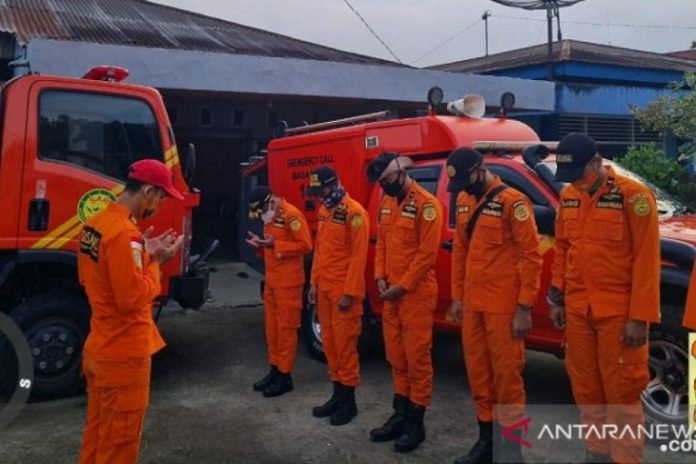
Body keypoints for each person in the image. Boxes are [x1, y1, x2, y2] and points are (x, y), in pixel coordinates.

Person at [548, 133, 660, 463]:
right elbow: (563, 248)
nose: (576, 184)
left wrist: (640, 316)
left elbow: (646, 259)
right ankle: (597, 454)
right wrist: (557, 295)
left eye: (579, 175)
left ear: (597, 163)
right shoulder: (569, 195)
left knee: (621, 394)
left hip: (619, 315)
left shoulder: (634, 197)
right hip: (579, 311)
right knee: (586, 390)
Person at [77, 159, 184, 464]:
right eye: (161, 198)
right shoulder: (125, 234)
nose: (160, 206)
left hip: (100, 347)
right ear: (148, 191)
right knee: (119, 445)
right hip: (123, 357)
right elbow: (131, 298)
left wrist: (142, 252)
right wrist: (156, 263)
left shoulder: (96, 224)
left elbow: (90, 277)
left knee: (97, 434)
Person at [446, 148, 542, 464]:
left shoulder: (513, 202)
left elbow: (531, 256)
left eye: (466, 180)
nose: (463, 187)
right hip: (473, 304)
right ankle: (486, 441)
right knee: (478, 375)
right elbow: (459, 251)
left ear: (479, 169)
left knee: (507, 379)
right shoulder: (463, 200)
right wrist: (457, 296)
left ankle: (511, 450)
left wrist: (524, 307)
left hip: (503, 307)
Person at [366, 152, 443, 453]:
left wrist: (403, 285)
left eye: (386, 180)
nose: (384, 186)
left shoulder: (427, 206)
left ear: (400, 172)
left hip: (417, 295)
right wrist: (380, 276)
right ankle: (399, 414)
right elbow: (382, 242)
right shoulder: (386, 203)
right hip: (392, 294)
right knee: (396, 356)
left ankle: (415, 423)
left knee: (417, 360)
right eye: (380, 182)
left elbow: (427, 255)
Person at [306, 166, 369, 426]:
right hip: (324, 291)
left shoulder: (355, 214)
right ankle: (336, 395)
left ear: (332, 185)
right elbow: (320, 251)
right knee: (330, 345)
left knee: (345, 348)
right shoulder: (325, 212)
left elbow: (358, 258)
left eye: (321, 190)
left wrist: (350, 292)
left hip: (344, 293)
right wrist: (313, 283)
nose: (319, 196)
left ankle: (349, 402)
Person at [246, 186, 312, 397]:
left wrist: (276, 244)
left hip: (289, 284)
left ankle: (285, 376)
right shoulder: (270, 218)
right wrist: (261, 245)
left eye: (263, 207)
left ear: (270, 201)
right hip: (272, 282)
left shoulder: (291, 215)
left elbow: (305, 245)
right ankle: (274, 369)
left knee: (286, 330)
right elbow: (271, 246)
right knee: (272, 330)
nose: (263, 212)